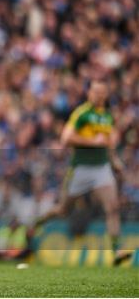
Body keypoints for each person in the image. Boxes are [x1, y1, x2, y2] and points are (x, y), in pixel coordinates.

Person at [34, 80, 131, 266]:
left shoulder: (107, 117)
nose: (98, 95)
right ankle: (39, 221)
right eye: (95, 92)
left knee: (112, 207)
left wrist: (114, 161)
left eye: (102, 92)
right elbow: (66, 138)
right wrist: (93, 142)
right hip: (80, 169)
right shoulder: (82, 113)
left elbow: (108, 144)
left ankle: (116, 250)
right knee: (63, 210)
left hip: (101, 168)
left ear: (106, 95)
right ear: (89, 93)